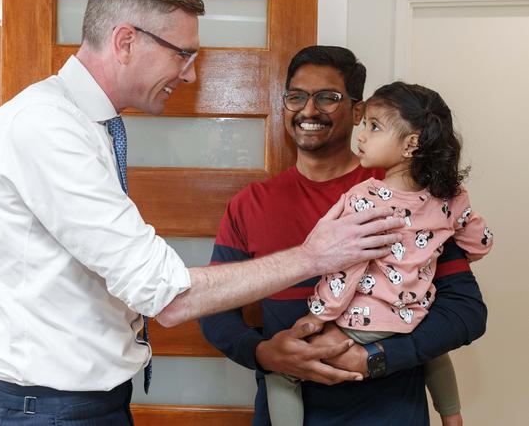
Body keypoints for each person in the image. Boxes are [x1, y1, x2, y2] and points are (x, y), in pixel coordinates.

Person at [0, 0, 404, 425]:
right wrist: (315, 256)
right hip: (50, 411)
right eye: (183, 54)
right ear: (126, 41)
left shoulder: (83, 125)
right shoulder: (45, 128)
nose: (190, 75)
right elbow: (167, 297)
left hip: (85, 405)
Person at [200, 46, 488, 425]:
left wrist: (375, 359)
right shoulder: (249, 203)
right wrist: (262, 352)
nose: (308, 110)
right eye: (296, 97)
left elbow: (465, 312)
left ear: (357, 111)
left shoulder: (409, 198)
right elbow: (213, 307)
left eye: (328, 98)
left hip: (391, 414)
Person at [264, 81, 493, 426]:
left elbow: (346, 268)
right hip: (413, 316)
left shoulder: (365, 198)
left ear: (410, 144)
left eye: (374, 126)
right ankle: (452, 416)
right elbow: (478, 244)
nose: (362, 134)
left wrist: (320, 315)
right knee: (432, 349)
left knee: (282, 370)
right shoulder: (450, 197)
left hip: (363, 323)